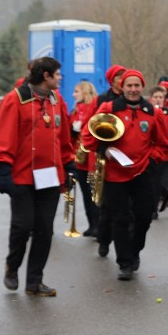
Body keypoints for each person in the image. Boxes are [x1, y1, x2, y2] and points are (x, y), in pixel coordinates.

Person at [0, 57, 75, 296]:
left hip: (50, 177)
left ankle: (34, 282)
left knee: (44, 229)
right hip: (22, 176)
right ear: (46, 76)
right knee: (23, 225)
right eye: (57, 74)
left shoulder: (57, 100)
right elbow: (4, 136)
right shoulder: (14, 100)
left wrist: (68, 166)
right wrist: (4, 169)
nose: (60, 78)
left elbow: (63, 137)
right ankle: (12, 266)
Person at [82, 69, 168, 281]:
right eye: (129, 85)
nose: (133, 89)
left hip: (143, 173)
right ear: (122, 87)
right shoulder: (108, 108)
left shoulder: (153, 112)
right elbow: (88, 137)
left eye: (136, 85)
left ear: (142, 87)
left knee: (144, 218)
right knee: (119, 219)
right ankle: (125, 263)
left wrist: (151, 159)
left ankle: (135, 251)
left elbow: (163, 144)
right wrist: (105, 150)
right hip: (114, 175)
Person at [71, 80, 100, 237]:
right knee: (85, 194)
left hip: (92, 158)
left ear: (85, 92)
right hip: (79, 159)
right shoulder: (75, 110)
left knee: (95, 193)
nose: (73, 94)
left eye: (76, 91)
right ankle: (92, 224)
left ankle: (99, 225)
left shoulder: (93, 108)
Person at [147, 84, 168, 219]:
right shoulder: (147, 112)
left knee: (161, 180)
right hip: (151, 152)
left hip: (165, 152)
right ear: (150, 98)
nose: (158, 99)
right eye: (155, 97)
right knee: (154, 181)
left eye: (160, 97)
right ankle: (154, 208)